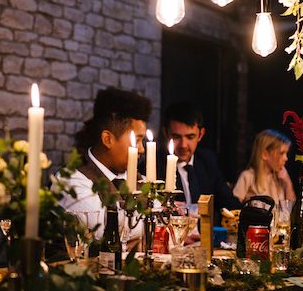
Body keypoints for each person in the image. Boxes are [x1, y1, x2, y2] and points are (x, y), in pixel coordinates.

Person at [60, 86, 150, 244]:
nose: (142, 149)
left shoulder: (140, 178)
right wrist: (148, 231)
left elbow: (166, 223)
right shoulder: (72, 180)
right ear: (107, 139)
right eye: (136, 140)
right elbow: (104, 232)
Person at [161, 102, 240, 214]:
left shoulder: (208, 161)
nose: (183, 145)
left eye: (190, 137)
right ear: (166, 133)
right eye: (176, 137)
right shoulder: (154, 166)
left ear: (200, 135)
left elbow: (229, 203)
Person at [233, 129, 296, 206]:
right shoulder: (248, 176)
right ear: (265, 154)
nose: (286, 158)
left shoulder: (280, 179)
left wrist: (288, 183)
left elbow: (290, 209)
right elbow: (233, 207)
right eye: (281, 153)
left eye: (286, 154)